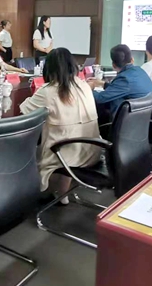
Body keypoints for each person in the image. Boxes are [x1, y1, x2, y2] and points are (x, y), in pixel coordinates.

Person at [20, 48, 101, 198]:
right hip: (91, 151)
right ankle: (61, 193)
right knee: (67, 135)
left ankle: (35, 194)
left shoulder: (48, 91)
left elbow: (24, 111)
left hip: (65, 155)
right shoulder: (84, 85)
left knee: (30, 150)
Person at [86, 44, 152, 121]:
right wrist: (102, 84)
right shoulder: (139, 71)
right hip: (147, 120)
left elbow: (100, 98)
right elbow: (119, 89)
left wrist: (87, 88)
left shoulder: (124, 79)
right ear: (132, 60)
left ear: (113, 65)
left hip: (132, 122)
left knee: (107, 104)